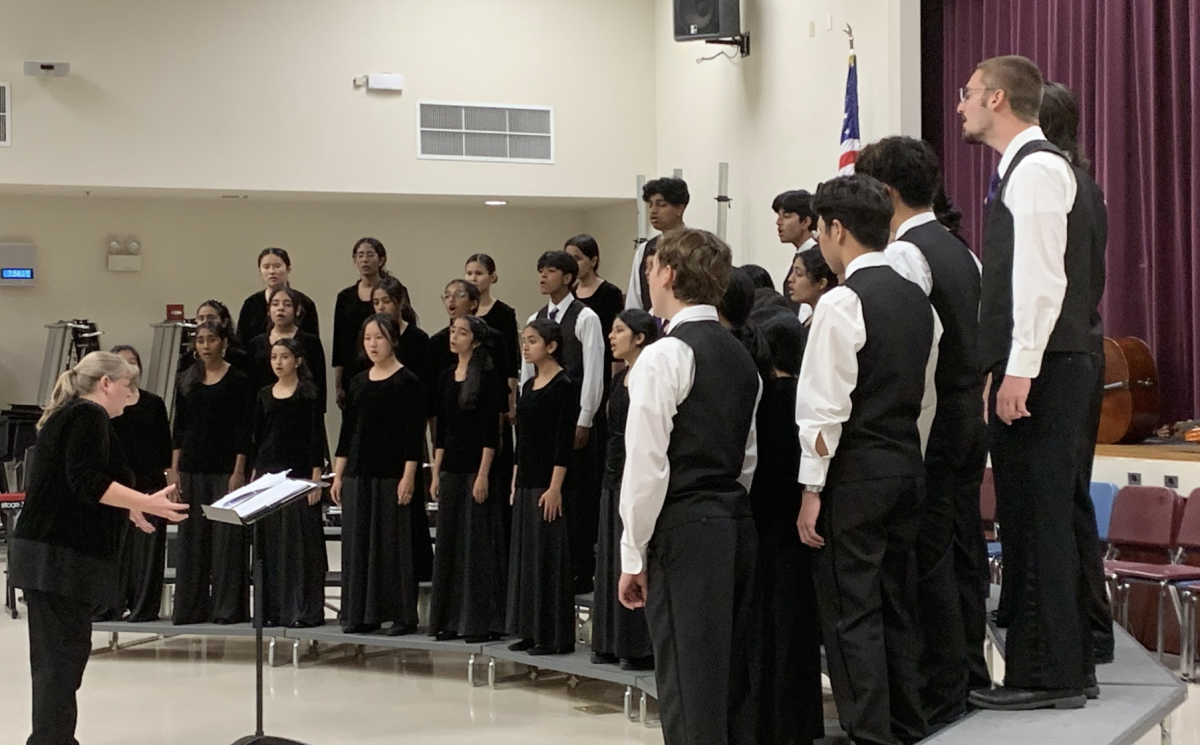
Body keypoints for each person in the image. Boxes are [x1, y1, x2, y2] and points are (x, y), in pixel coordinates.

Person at [957, 56, 1106, 711]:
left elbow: (1043, 279)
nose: (959, 105)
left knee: (1039, 518)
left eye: (967, 95)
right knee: (1032, 516)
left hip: (1045, 366)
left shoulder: (1039, 168)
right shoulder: (1027, 166)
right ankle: (1061, 662)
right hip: (1044, 363)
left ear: (996, 98)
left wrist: (1019, 367)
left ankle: (1049, 673)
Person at [795, 175, 935, 745]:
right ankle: (907, 723)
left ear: (835, 229)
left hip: (855, 471)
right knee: (899, 603)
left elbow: (823, 408)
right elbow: (922, 389)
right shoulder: (915, 298)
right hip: (907, 462)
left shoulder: (843, 301)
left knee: (851, 607)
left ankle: (868, 732)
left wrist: (810, 488)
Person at [856, 134, 989, 725]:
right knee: (960, 551)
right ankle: (968, 674)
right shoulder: (963, 250)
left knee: (928, 560)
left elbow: (916, 351)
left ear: (884, 194)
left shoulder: (907, 255)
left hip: (934, 420)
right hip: (970, 413)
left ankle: (941, 691)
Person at [618, 228, 762, 745]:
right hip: (735, 521)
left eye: (652, 267)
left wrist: (632, 552)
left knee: (687, 680)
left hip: (684, 526)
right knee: (730, 675)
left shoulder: (664, 355)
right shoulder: (741, 355)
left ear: (670, 275)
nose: (648, 275)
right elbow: (747, 457)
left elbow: (647, 466)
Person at [10, 352, 188, 745]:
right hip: (56, 558)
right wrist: (146, 503)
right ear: (106, 383)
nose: (132, 393)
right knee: (60, 662)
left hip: (51, 556)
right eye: (128, 384)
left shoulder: (75, 417)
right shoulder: (86, 416)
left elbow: (74, 485)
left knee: (61, 660)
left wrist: (129, 508)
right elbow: (86, 480)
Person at [1039, 79, 1114, 666]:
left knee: (1059, 499)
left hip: (1059, 351)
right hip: (1085, 346)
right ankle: (1093, 626)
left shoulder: (1053, 184)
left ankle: (1078, 633)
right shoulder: (1086, 184)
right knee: (1072, 497)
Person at [755, 312, 825, 745]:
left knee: (770, 624)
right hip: (801, 520)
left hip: (768, 519)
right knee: (799, 624)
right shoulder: (808, 398)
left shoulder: (766, 400)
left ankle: (773, 721)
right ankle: (803, 721)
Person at [332, 313, 425, 635]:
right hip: (359, 472)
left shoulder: (408, 381)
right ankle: (360, 613)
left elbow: (415, 436)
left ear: (393, 341)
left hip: (392, 474)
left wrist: (409, 476)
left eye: (379, 337)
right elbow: (347, 433)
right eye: (368, 338)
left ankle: (401, 616)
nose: (372, 344)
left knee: (393, 547)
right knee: (358, 545)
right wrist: (339, 474)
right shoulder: (357, 381)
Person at [523, 251, 605, 594]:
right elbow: (527, 371)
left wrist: (584, 418)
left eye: (551, 270)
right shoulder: (535, 317)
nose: (543, 276)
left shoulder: (586, 317)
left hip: (574, 414)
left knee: (577, 496)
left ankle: (579, 568)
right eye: (540, 270)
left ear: (569, 278)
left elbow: (594, 370)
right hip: (541, 417)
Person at [428, 316, 509, 642]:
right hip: (451, 468)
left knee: (476, 547)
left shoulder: (487, 376)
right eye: (452, 331)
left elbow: (492, 432)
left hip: (477, 470)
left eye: (462, 333)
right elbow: (441, 432)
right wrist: (435, 472)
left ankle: (480, 622)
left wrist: (483, 474)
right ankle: (448, 620)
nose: (454, 336)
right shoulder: (446, 376)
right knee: (449, 544)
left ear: (474, 341)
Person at [171, 321, 254, 625]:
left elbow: (244, 430)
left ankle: (226, 609)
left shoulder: (239, 380)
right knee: (192, 540)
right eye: (200, 340)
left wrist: (239, 470)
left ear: (223, 343)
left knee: (226, 542)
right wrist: (174, 470)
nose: (205, 345)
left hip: (224, 471)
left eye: (211, 340)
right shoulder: (186, 380)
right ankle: (190, 609)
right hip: (191, 468)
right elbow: (178, 429)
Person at [591, 309, 659, 671]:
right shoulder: (620, 379)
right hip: (612, 472)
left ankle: (638, 644)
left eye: (619, 331)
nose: (611, 337)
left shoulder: (648, 378)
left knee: (632, 555)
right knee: (611, 556)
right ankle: (610, 639)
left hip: (634, 473)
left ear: (640, 338)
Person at [507, 320, 580, 654]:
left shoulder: (564, 384)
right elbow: (522, 440)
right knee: (525, 558)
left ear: (551, 346)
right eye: (524, 341)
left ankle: (552, 635)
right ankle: (527, 629)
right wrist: (515, 480)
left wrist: (555, 488)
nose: (526, 347)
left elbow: (562, 442)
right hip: (526, 481)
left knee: (546, 558)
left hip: (548, 483)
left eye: (532, 341)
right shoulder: (527, 386)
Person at [249, 338, 327, 628]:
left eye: (284, 356)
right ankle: (273, 610)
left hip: (299, 476)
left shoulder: (308, 394)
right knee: (271, 544)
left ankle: (303, 610)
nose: (278, 362)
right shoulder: (263, 395)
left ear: (298, 361)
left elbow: (316, 437)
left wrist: (316, 479)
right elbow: (258, 438)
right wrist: (255, 476)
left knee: (299, 544)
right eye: (274, 357)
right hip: (269, 475)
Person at [95, 345, 174, 623]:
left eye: (133, 362)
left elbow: (165, 447)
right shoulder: (103, 408)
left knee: (148, 551)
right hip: (115, 485)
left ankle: (143, 607)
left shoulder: (153, 402)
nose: (128, 368)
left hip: (148, 482)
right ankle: (109, 605)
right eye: (121, 363)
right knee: (115, 550)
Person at [465, 254, 520, 552]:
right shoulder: (462, 316)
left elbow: (510, 362)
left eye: (480, 273)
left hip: (496, 396)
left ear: (493, 277)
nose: (474, 278)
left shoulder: (503, 313)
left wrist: (509, 402)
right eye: (469, 273)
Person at [333, 237, 391, 410]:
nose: (365, 259)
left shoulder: (394, 291)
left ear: (381, 260)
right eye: (360, 255)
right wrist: (338, 385)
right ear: (354, 260)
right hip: (353, 372)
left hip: (385, 368)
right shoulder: (345, 297)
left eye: (370, 255)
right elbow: (340, 343)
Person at [247, 287, 328, 408]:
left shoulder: (311, 342)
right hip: (264, 409)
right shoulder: (256, 343)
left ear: (298, 310)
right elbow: (251, 384)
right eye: (275, 304)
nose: (280, 308)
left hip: (301, 406)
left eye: (287, 304)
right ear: (269, 310)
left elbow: (319, 381)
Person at [564, 234, 626, 381]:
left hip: (602, 365)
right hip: (574, 367)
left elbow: (615, 332)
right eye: (568, 259)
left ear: (593, 261)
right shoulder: (569, 294)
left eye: (577, 258)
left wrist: (615, 378)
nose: (572, 265)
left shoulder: (610, 293)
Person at [235, 247, 320, 348]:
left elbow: (313, 344)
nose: (272, 271)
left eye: (277, 266)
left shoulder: (305, 303)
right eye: (266, 267)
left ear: (288, 269)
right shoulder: (251, 304)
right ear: (260, 271)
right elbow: (241, 344)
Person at [627, 177, 689, 312]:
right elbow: (634, 298)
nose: (653, 210)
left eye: (661, 204)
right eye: (650, 204)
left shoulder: (696, 246)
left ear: (680, 208)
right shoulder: (645, 249)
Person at [371, 275, 430, 377]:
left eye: (386, 301)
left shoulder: (418, 338)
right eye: (376, 303)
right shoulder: (371, 337)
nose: (380, 307)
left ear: (401, 302)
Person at [773, 189, 818, 318]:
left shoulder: (816, 259)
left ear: (805, 222)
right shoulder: (799, 257)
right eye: (778, 215)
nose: (778, 222)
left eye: (786, 216)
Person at [191, 300, 253, 377]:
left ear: (224, 322)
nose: (205, 322)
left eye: (211, 318)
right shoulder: (189, 358)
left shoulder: (240, 358)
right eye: (201, 318)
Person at [787, 247, 839, 327]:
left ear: (821, 283)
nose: (790, 279)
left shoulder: (830, 322)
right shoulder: (811, 319)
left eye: (799, 274)